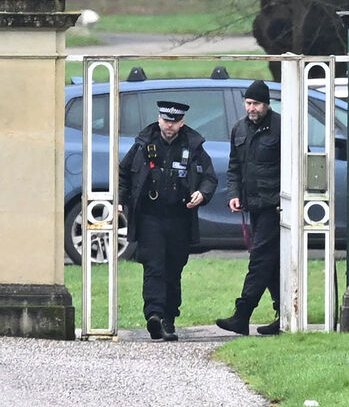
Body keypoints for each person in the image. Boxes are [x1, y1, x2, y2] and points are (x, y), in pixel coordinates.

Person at [119, 100, 217, 341]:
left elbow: (209, 178)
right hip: (150, 216)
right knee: (154, 266)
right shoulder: (144, 145)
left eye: (174, 121)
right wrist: (121, 201)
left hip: (179, 217)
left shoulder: (192, 146)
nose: (169, 125)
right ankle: (154, 314)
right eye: (165, 120)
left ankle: (168, 318)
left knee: (173, 269)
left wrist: (202, 194)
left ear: (181, 122)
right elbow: (123, 173)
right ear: (159, 119)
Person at [215, 79, 282, 336]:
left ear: (266, 104)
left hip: (274, 207)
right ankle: (282, 311)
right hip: (253, 205)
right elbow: (235, 166)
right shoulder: (239, 129)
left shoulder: (281, 127)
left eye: (256, 104)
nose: (251, 108)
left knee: (260, 260)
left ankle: (242, 314)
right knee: (270, 262)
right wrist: (234, 194)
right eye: (248, 103)